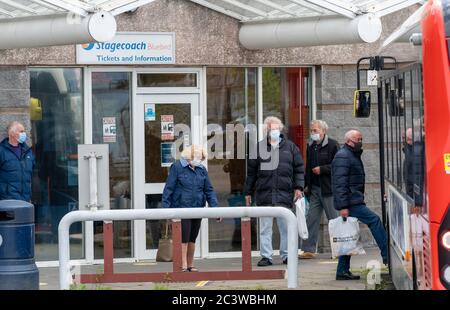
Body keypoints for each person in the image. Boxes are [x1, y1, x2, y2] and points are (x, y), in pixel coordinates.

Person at [244, 116, 304, 266]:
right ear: (267, 130)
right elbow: (251, 173)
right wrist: (248, 192)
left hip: (284, 194)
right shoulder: (258, 148)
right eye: (272, 129)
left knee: (286, 228)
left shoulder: (291, 147)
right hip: (264, 194)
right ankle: (266, 256)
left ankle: (286, 255)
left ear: (281, 129)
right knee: (265, 228)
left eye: (277, 129)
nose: (275, 131)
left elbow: (299, 169)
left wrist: (298, 188)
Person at [331, 129, 388, 280]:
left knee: (348, 235)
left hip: (352, 200)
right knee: (374, 220)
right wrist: (343, 206)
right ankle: (387, 255)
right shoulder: (343, 156)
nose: (360, 142)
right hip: (350, 202)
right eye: (358, 139)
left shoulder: (350, 154)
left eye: (361, 138)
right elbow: (339, 184)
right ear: (349, 141)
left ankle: (342, 271)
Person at [162, 145, 219, 272]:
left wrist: (215, 209)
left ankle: (190, 264)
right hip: (182, 208)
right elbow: (168, 189)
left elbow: (209, 190)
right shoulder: (177, 167)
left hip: (197, 208)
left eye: (202, 158)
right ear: (190, 156)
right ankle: (182, 264)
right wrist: (166, 210)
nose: (200, 160)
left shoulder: (202, 170)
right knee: (184, 238)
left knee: (192, 237)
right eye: (198, 157)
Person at [300, 120, 340, 259]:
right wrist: (304, 186)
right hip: (315, 190)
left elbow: (338, 166)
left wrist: (322, 169)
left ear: (323, 131)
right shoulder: (311, 147)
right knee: (311, 219)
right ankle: (308, 249)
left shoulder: (333, 145)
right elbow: (308, 169)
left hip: (329, 189)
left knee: (334, 220)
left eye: (315, 130)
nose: (313, 133)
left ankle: (339, 250)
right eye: (311, 130)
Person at [0, 121, 34, 201]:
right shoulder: (1, 151)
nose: (24, 134)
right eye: (21, 131)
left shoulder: (28, 151)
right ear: (12, 133)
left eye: (24, 131)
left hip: (25, 200)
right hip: (8, 200)